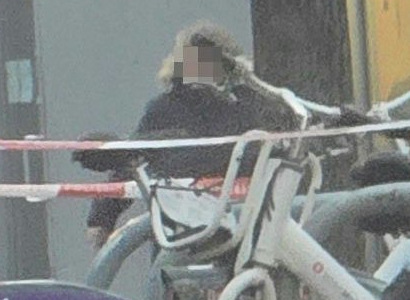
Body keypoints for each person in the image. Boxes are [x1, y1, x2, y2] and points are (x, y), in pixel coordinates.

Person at [84, 22, 302, 230]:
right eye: (197, 59)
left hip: (243, 226)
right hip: (181, 230)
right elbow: (135, 160)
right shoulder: (164, 109)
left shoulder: (251, 108)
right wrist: (102, 218)